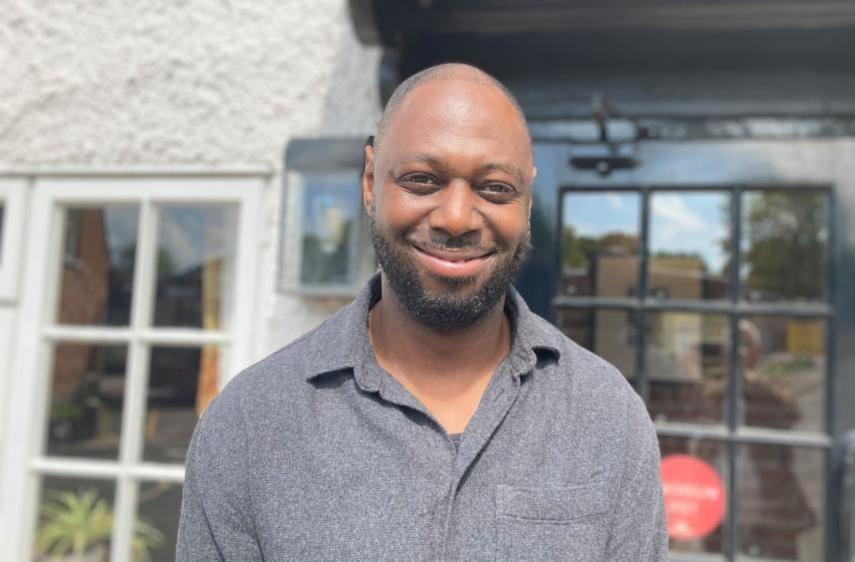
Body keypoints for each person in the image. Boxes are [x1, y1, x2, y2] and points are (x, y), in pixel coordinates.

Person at [176, 63, 667, 561]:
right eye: (422, 180)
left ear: (527, 198)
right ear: (370, 180)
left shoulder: (608, 417)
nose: (456, 218)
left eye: (495, 187)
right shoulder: (249, 423)